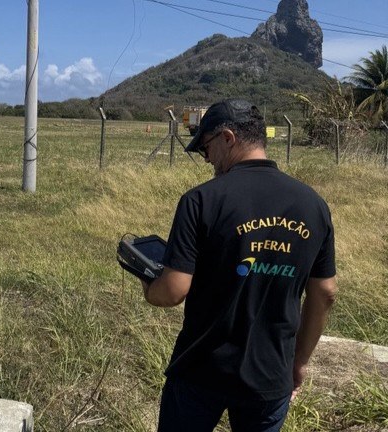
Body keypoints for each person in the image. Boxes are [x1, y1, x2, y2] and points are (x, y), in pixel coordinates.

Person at [142, 99, 337, 431]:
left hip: (201, 369)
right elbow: (326, 292)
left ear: (228, 138)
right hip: (272, 373)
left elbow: (172, 291)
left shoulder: (200, 200)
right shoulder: (314, 205)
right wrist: (299, 362)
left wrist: (148, 284)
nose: (207, 159)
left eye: (206, 149)